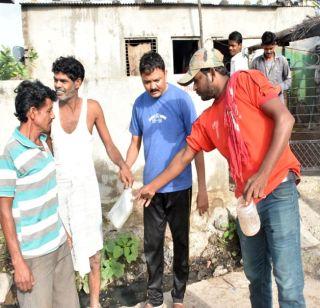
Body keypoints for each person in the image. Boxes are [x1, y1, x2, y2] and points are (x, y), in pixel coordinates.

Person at [137, 48, 305, 308]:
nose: (194, 88)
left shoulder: (246, 81)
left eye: (196, 81)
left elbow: (285, 119)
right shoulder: (209, 119)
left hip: (278, 188)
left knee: (288, 280)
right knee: (256, 276)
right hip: (248, 202)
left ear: (212, 72)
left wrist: (262, 175)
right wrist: (152, 187)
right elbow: (184, 156)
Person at [123, 51, 208, 308]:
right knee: (152, 245)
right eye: (147, 82)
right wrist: (126, 165)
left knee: (181, 242)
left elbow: (197, 146)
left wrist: (203, 188)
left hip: (180, 186)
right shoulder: (139, 104)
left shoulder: (182, 101)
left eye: (157, 80)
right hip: (152, 190)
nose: (153, 86)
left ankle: (179, 296)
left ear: (165, 74)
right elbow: (135, 143)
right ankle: (155, 298)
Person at [50, 56, 133, 308]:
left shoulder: (92, 108)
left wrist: (123, 165)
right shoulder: (49, 110)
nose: (58, 85)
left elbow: (109, 144)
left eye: (63, 80)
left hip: (86, 191)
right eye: (55, 79)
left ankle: (94, 303)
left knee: (94, 252)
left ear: (78, 82)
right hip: (59, 190)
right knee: (62, 253)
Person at [0, 80, 79, 308]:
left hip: (60, 246)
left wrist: (63, 228)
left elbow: (48, 194)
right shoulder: (11, 154)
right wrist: (18, 262)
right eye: (48, 110)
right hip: (34, 256)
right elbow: (4, 210)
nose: (53, 115)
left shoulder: (44, 143)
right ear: (33, 113)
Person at [251, 31, 291, 103]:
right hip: (262, 102)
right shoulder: (256, 62)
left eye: (271, 48)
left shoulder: (282, 60)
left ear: (275, 45)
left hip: (278, 102)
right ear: (262, 45)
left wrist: (280, 87)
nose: (269, 51)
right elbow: (251, 82)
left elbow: (288, 80)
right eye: (266, 49)